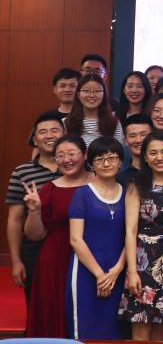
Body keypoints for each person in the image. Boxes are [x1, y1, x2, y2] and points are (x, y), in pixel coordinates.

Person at [121, 132, 163, 340]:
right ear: (145, 157)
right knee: (141, 331)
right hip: (143, 264)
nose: (160, 157)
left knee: (162, 332)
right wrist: (132, 272)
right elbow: (130, 231)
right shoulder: (136, 186)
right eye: (153, 153)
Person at [22, 135, 89, 337]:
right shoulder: (49, 189)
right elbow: (36, 234)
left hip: (91, 255)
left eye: (72, 154)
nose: (66, 159)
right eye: (60, 155)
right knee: (55, 311)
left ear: (85, 155)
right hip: (56, 257)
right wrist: (34, 211)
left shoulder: (101, 184)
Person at [68, 137, 127, 339]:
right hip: (86, 271)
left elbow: (132, 234)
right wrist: (100, 275)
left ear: (120, 161)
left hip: (118, 272)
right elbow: (75, 239)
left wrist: (117, 270)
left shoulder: (128, 193)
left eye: (112, 158)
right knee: (85, 329)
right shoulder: (82, 194)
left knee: (113, 330)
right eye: (100, 159)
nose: (106, 163)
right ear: (91, 163)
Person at [6, 113, 63, 306]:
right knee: (38, 304)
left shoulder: (79, 169)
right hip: (34, 248)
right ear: (35, 140)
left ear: (64, 135)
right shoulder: (22, 172)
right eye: (42, 132)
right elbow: (14, 220)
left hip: (70, 246)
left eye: (55, 130)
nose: (49, 135)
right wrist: (16, 261)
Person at [65, 74, 124, 147]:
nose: (91, 95)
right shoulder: (66, 123)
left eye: (97, 91)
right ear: (78, 95)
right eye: (86, 91)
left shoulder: (114, 123)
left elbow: (118, 151)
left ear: (104, 95)